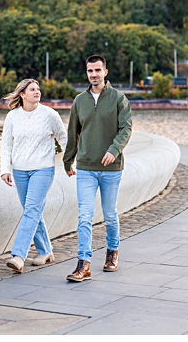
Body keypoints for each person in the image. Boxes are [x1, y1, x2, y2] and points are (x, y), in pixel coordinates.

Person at [62, 55, 132, 282]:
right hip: (85, 167)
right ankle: (84, 263)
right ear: (87, 73)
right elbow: (73, 132)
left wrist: (114, 150)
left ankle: (112, 252)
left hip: (112, 168)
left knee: (110, 214)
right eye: (90, 71)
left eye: (97, 70)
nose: (94, 74)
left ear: (105, 72)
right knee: (84, 216)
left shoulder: (119, 99)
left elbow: (126, 129)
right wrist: (67, 160)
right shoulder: (79, 101)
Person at [0, 78, 66, 273]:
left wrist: (70, 162)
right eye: (32, 89)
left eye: (38, 89)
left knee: (31, 210)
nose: (37, 92)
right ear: (22, 94)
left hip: (43, 169)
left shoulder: (49, 115)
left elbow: (64, 138)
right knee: (33, 211)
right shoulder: (12, 117)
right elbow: (6, 145)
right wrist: (5, 169)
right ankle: (46, 250)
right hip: (20, 171)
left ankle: (18, 256)